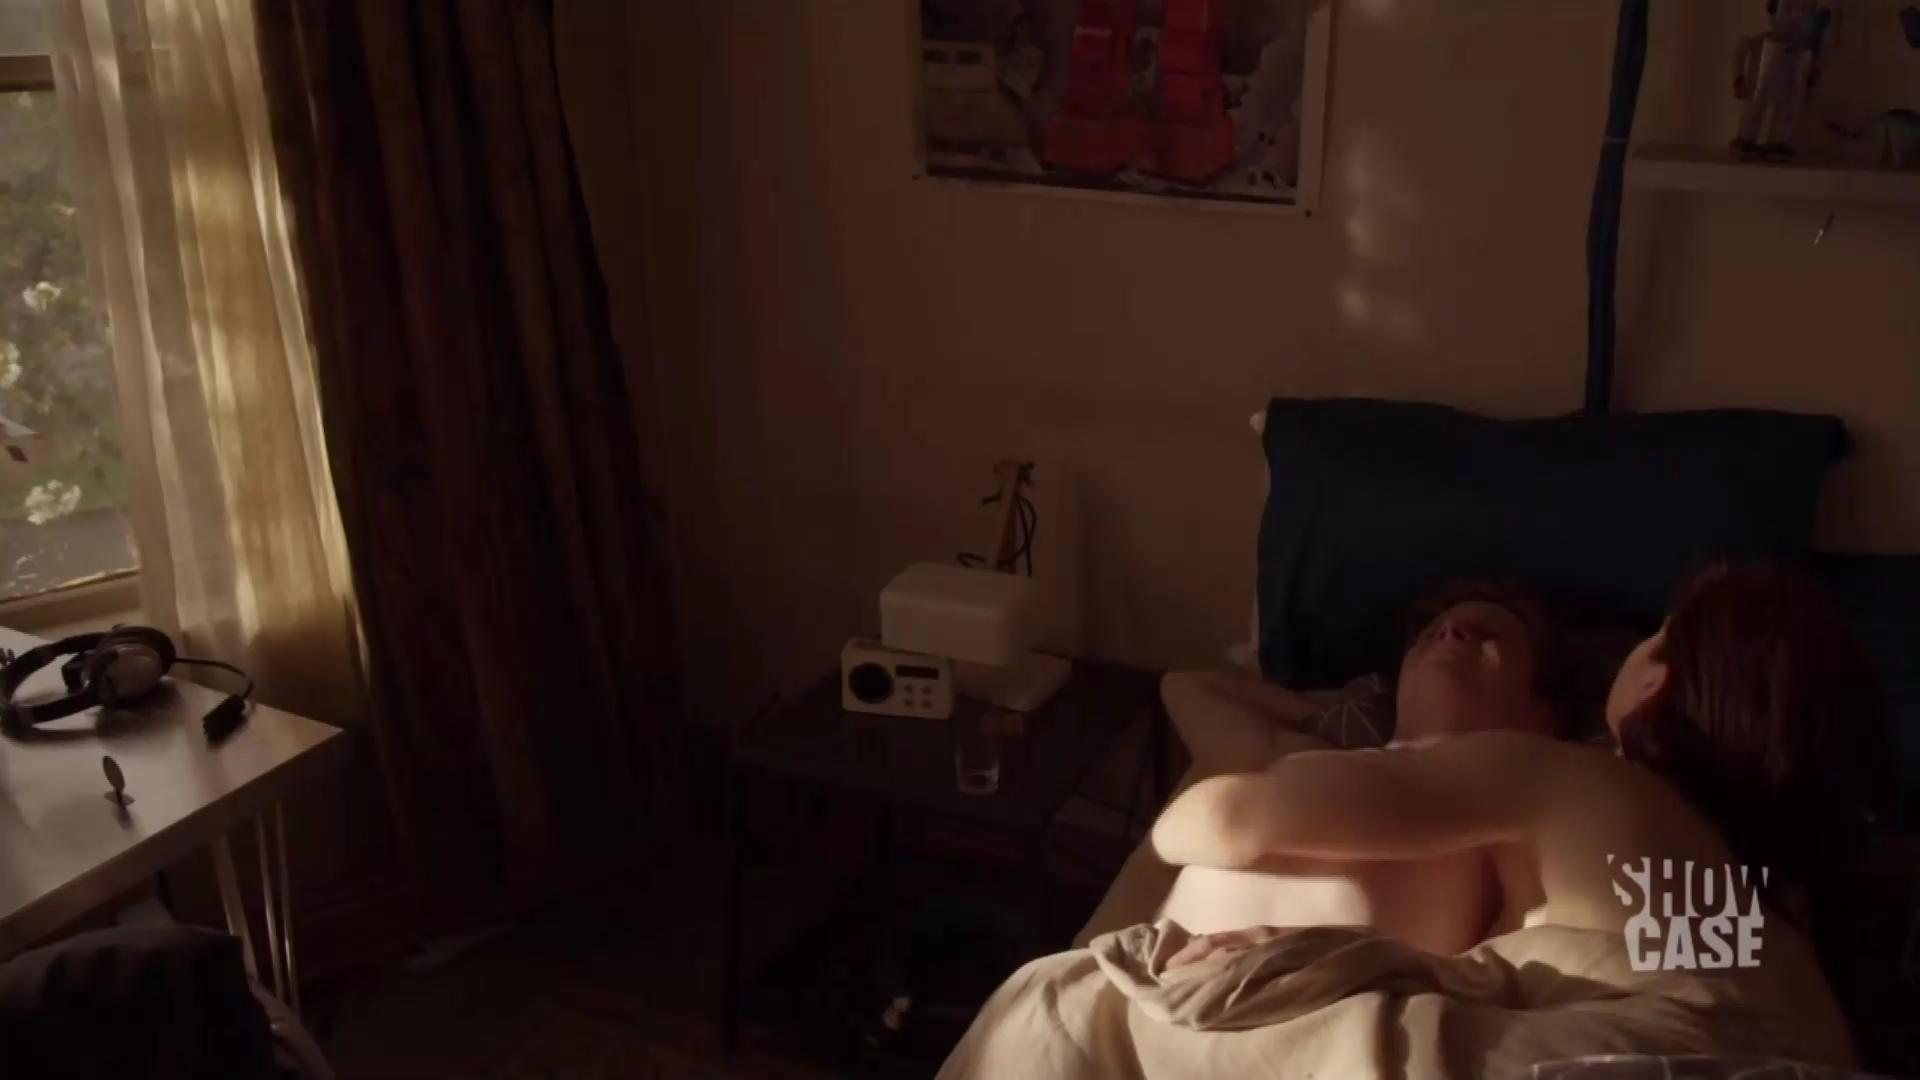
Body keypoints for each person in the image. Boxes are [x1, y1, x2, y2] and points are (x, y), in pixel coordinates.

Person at [1150, 563, 1887, 1066]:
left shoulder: (1563, 779)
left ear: (1655, 682)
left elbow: (1220, 822)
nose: (1453, 638)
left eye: (1656, 636)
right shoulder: (1765, 914)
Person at [1157, 580, 1569, 955]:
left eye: (1487, 635)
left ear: (1541, 718)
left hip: (1302, 994)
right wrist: (1329, 710)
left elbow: (1533, 944)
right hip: (1157, 971)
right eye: (1431, 633)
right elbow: (1184, 686)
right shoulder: (1305, 755)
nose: (1450, 631)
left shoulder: (1512, 817)